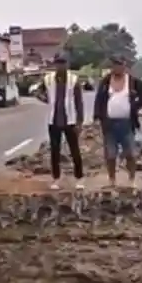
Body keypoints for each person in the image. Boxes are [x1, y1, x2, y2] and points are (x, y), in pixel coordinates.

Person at [93, 56, 142, 188]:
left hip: (127, 124)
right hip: (109, 124)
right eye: (115, 65)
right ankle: (112, 180)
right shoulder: (106, 81)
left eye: (120, 65)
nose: (117, 68)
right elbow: (99, 100)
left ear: (124, 66)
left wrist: (136, 105)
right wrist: (98, 117)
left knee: (130, 154)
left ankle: (131, 180)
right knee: (111, 155)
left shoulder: (131, 81)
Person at [39, 54, 85, 190]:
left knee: (74, 150)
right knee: (54, 150)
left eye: (63, 63)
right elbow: (38, 91)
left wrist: (79, 121)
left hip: (69, 120)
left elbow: (79, 102)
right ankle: (56, 178)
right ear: (55, 65)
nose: (60, 66)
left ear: (67, 64)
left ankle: (79, 177)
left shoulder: (73, 80)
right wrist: (44, 99)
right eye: (58, 63)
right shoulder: (48, 79)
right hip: (53, 120)